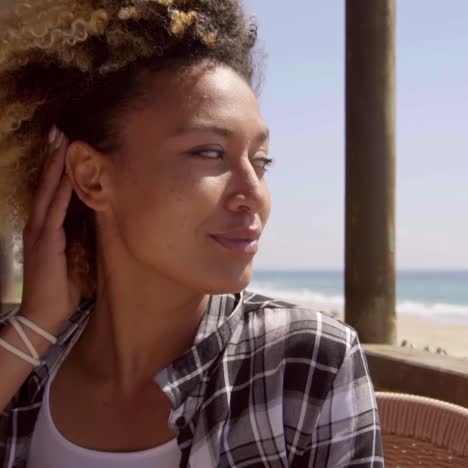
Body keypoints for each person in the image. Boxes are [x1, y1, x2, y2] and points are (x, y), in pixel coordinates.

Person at [0, 1, 384, 466]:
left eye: (261, 162)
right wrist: (31, 330)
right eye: (209, 153)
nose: (253, 193)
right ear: (92, 176)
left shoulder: (306, 363)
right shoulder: (20, 365)